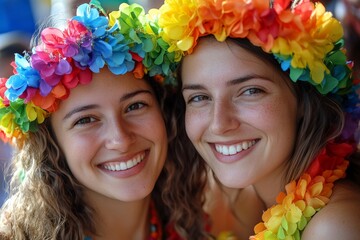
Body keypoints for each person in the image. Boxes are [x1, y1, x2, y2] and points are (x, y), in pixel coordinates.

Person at [0, 1, 208, 239]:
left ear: (164, 113)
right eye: (86, 119)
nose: (120, 139)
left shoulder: (200, 223)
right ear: (52, 144)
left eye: (135, 106)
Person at [157, 0, 360, 239]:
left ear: (304, 100)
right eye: (200, 97)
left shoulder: (334, 227)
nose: (219, 124)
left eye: (250, 91)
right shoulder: (244, 200)